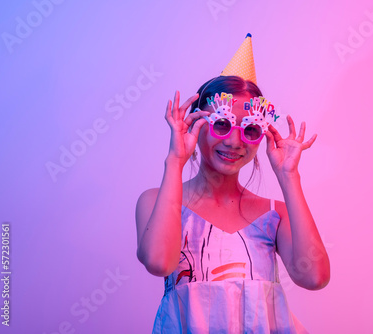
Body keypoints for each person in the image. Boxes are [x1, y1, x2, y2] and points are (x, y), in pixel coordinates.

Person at [135, 75, 330, 333]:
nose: (234, 142)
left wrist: (289, 176)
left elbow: (314, 276)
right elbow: (159, 262)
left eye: (249, 129)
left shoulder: (275, 215)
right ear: (196, 123)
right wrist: (175, 159)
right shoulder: (155, 202)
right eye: (222, 124)